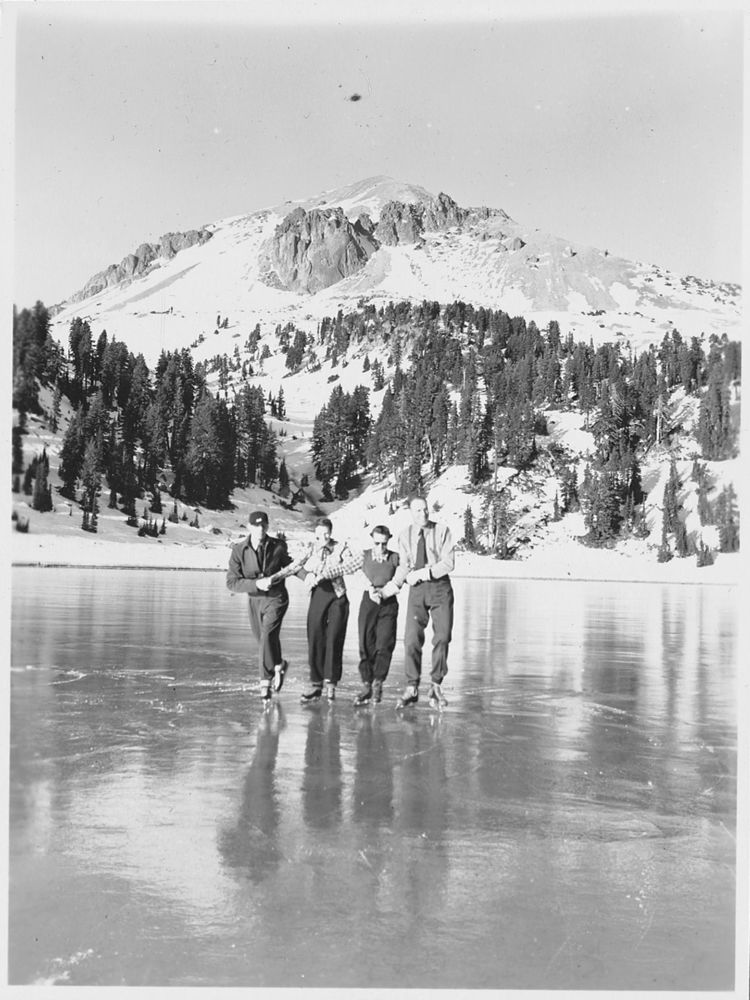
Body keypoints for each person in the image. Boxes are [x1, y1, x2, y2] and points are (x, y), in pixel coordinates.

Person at [313, 524, 401, 706]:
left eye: (384, 544)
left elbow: (404, 574)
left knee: (385, 643)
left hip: (388, 602)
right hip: (369, 601)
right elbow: (344, 568)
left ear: (388, 541)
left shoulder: (395, 558)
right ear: (372, 540)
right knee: (366, 643)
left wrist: (387, 590)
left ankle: (378, 682)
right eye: (377, 543)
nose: (380, 547)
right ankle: (367, 684)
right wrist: (322, 575)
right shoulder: (364, 556)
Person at [392, 496, 455, 709]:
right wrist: (393, 586)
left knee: (442, 637)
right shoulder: (405, 535)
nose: (423, 514)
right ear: (411, 512)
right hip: (417, 591)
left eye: (425, 509)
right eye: (418, 510)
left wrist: (424, 573)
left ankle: (436, 685)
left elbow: (448, 563)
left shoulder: (442, 531)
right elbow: (404, 566)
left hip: (439, 587)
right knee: (411, 639)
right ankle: (412, 687)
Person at [226, 510, 296, 702]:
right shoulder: (239, 550)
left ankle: (265, 683)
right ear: (249, 526)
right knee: (264, 640)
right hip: (255, 600)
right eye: (256, 525)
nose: (260, 529)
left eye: (264, 525)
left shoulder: (278, 546)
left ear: (267, 526)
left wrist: (307, 576)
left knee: (266, 636)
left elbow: (291, 567)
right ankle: (279, 664)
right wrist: (256, 584)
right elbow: (232, 582)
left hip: (276, 598)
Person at [298, 518, 350, 703]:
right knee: (315, 635)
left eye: (327, 533)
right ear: (315, 534)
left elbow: (351, 564)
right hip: (318, 594)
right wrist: (306, 576)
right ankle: (316, 683)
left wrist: (332, 570)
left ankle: (331, 684)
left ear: (331, 533)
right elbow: (295, 566)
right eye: (320, 534)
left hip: (337, 595)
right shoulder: (310, 548)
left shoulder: (340, 547)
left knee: (334, 638)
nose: (324, 537)